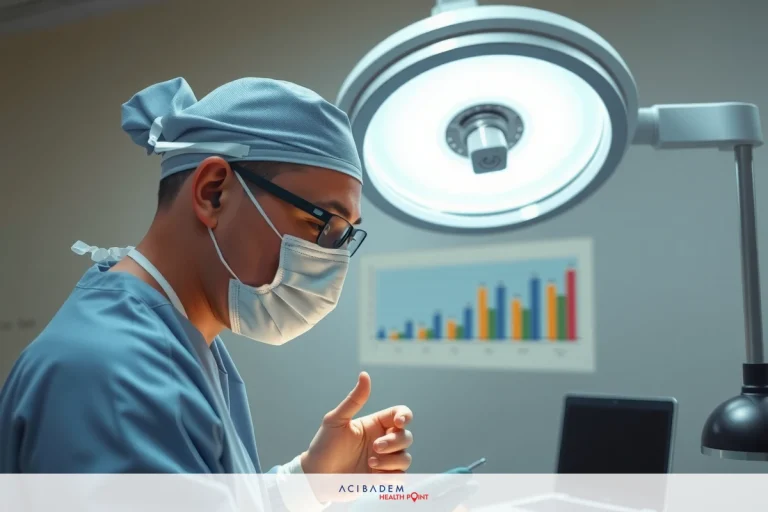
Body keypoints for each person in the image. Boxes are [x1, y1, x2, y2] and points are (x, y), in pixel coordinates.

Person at [0, 77, 414, 507]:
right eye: (322, 223)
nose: (330, 257)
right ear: (213, 192)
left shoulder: (177, 341)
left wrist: (307, 482)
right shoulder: (113, 373)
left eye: (344, 236)